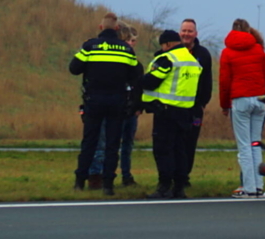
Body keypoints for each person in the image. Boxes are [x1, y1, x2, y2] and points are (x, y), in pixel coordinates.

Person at [69, 12, 140, 196]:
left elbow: (74, 68)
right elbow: (136, 75)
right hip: (117, 102)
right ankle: (108, 184)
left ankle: (79, 182)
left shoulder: (90, 46)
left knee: (89, 142)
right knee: (112, 144)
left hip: (94, 100)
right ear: (117, 29)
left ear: (101, 27)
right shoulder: (125, 49)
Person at [142, 29, 202, 199]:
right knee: (180, 150)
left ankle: (164, 187)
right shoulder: (191, 60)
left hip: (166, 112)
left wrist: (141, 80)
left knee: (163, 150)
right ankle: (179, 187)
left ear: (167, 44)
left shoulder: (167, 59)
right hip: (186, 112)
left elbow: (150, 82)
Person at [87, 22, 144, 187]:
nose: (131, 44)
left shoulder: (135, 63)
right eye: (129, 40)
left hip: (131, 108)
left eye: (134, 41)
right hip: (114, 107)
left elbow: (139, 85)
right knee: (104, 142)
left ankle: (126, 175)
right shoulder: (113, 61)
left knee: (127, 144)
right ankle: (98, 175)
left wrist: (139, 106)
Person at [219, 19, 265, 198]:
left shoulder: (227, 53)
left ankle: (248, 188)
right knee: (256, 143)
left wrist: (224, 105)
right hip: (260, 98)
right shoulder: (259, 50)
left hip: (240, 99)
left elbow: (224, 82)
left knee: (244, 146)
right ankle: (259, 185)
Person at [179, 18, 212, 186]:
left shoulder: (203, 54)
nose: (186, 34)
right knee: (175, 143)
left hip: (194, 109)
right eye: (184, 31)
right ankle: (173, 176)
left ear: (195, 34)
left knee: (190, 143)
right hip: (175, 107)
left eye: (189, 31)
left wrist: (202, 103)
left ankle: (185, 177)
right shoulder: (173, 52)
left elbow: (207, 82)